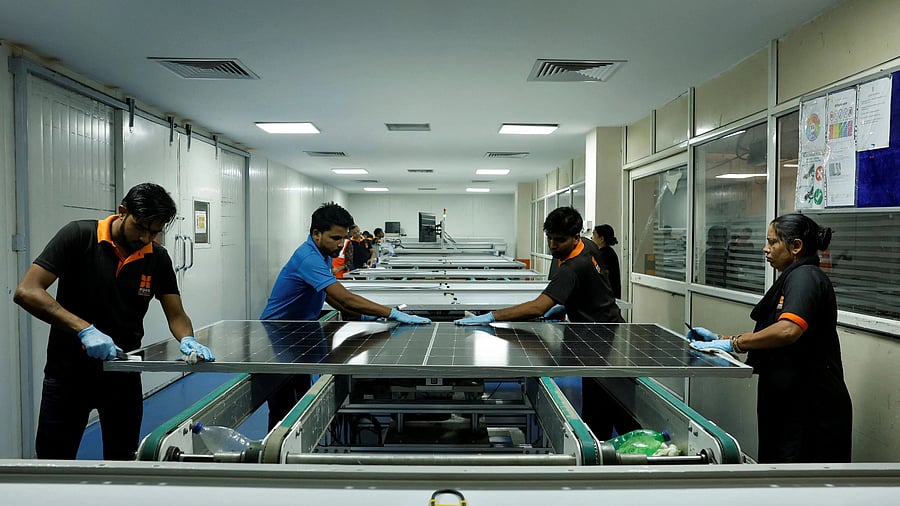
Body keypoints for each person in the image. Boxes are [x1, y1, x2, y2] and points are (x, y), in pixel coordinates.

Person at [13, 182, 214, 460]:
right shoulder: (79, 236)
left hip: (122, 374)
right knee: (54, 458)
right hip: (68, 373)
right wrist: (85, 330)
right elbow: (27, 291)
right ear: (122, 211)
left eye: (155, 231)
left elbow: (176, 314)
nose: (146, 237)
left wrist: (188, 340)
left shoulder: (157, 258)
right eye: (140, 227)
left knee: (122, 459)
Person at [688, 213, 852, 463]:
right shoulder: (794, 276)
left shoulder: (805, 277)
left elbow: (787, 330)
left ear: (795, 246)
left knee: (800, 484)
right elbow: (775, 330)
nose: (765, 249)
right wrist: (719, 339)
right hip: (789, 400)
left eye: (772, 242)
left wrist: (735, 343)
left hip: (809, 406)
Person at [454, 206, 624, 437]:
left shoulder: (573, 268)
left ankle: (605, 456)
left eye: (559, 240)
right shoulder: (589, 245)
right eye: (549, 238)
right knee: (609, 395)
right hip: (606, 328)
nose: (553, 245)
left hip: (599, 338)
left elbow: (537, 307)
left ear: (575, 237)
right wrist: (569, 304)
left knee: (604, 401)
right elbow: (595, 283)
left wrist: (492, 316)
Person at [260, 202, 431, 429]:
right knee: (282, 409)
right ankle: (275, 460)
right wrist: (391, 313)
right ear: (316, 234)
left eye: (343, 238)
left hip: (298, 332)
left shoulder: (324, 254)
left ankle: (297, 449)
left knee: (300, 400)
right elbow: (344, 298)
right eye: (335, 238)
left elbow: (330, 297)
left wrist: (364, 317)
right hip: (276, 337)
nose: (341, 244)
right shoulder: (307, 258)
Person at [592, 224, 622, 299]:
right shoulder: (608, 252)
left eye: (593, 235)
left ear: (601, 239)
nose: (591, 238)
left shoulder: (604, 255)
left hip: (606, 298)